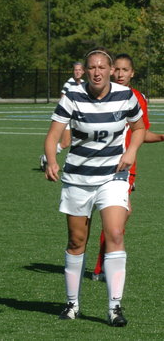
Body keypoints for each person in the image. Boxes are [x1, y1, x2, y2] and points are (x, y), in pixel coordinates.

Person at [44, 48, 145, 327]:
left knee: (115, 232)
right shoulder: (72, 97)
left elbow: (139, 128)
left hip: (113, 176)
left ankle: (115, 307)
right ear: (85, 71)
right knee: (77, 241)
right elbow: (53, 136)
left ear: (110, 70)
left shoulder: (125, 96)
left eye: (102, 67)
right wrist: (51, 160)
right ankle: (72, 304)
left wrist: (131, 152)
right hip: (78, 178)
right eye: (92, 67)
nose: (97, 72)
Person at [91, 53, 164, 281]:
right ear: (111, 70)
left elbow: (141, 133)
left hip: (124, 167)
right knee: (88, 221)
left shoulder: (138, 98)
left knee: (119, 216)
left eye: (125, 70)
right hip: (96, 162)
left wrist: (161, 136)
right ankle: (98, 265)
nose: (120, 74)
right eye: (117, 69)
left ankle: (101, 267)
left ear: (132, 73)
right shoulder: (101, 93)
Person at [40, 62, 84, 171]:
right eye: (76, 70)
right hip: (68, 118)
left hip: (77, 118)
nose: (77, 72)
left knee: (72, 142)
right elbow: (63, 99)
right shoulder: (69, 83)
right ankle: (47, 158)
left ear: (83, 71)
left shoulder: (83, 83)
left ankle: (47, 158)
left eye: (79, 70)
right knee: (66, 142)